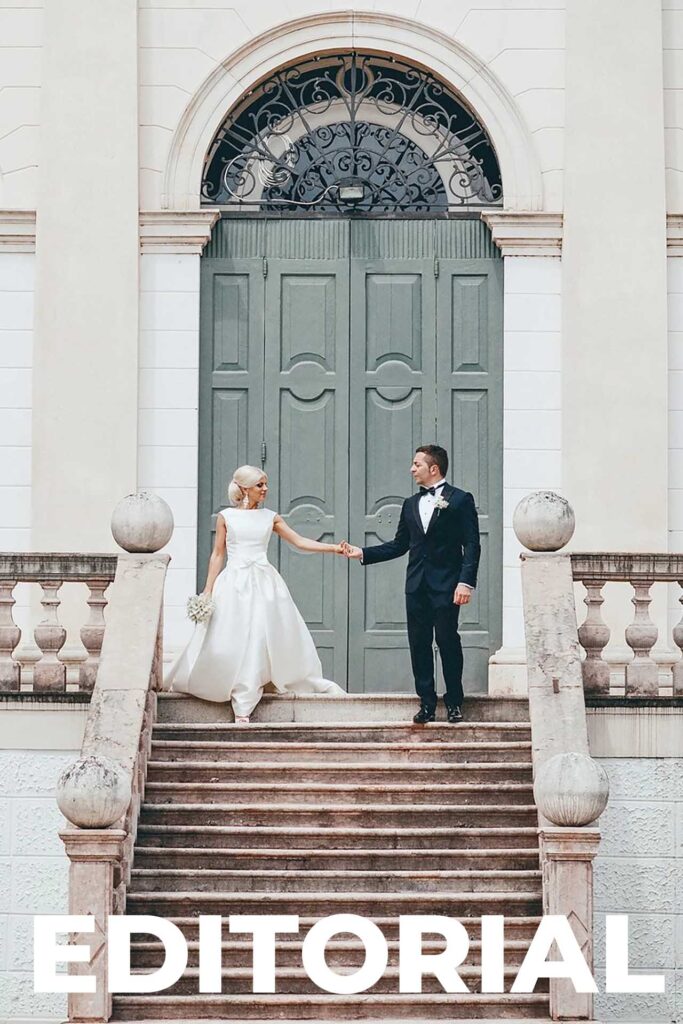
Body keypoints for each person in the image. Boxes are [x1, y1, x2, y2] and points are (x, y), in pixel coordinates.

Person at [164, 465, 346, 722]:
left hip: (265, 583)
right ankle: (235, 689)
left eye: (265, 484)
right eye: (260, 485)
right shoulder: (226, 516)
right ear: (243, 488)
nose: (265, 489)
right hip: (234, 583)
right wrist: (207, 589)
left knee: (263, 634)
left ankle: (253, 692)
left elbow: (299, 541)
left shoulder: (270, 517)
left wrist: (334, 548)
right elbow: (218, 554)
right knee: (232, 635)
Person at [343, 445, 480, 724]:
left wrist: (465, 582)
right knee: (419, 644)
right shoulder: (409, 504)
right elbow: (399, 545)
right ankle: (427, 703)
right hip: (416, 586)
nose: (411, 469)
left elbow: (472, 545)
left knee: (447, 640)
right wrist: (364, 553)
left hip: (447, 585)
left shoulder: (461, 500)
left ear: (434, 469)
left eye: (416, 464)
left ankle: (454, 701)